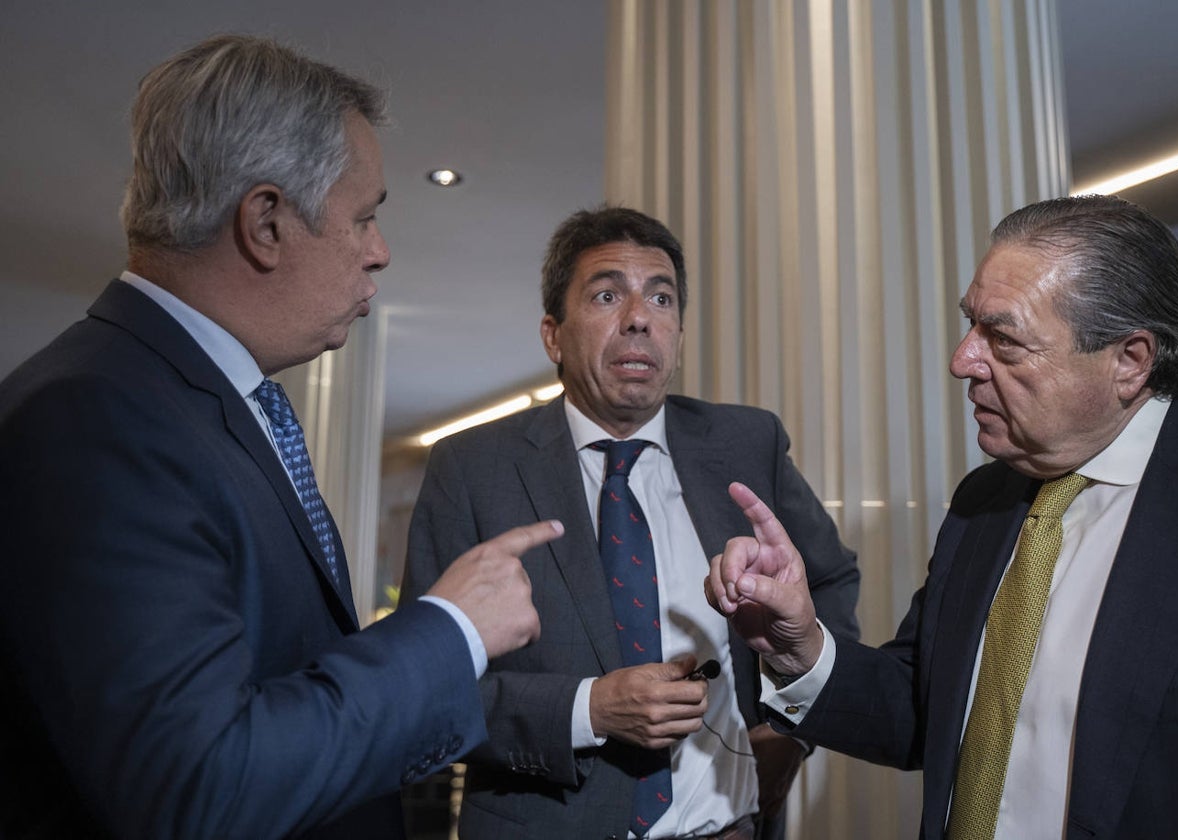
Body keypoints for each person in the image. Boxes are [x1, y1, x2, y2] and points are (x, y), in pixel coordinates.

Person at [0, 34, 563, 840]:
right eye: (363, 217)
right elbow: (198, 787)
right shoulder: (92, 418)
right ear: (265, 222)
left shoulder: (209, 403)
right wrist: (450, 630)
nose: (381, 251)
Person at [707, 194, 1178, 839]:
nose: (961, 360)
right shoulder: (982, 504)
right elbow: (924, 714)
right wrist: (803, 649)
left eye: (1004, 338)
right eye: (971, 325)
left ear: (1129, 361)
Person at [404, 205, 861, 840]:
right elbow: (426, 689)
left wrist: (791, 728)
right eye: (607, 294)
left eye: (662, 298)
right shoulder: (473, 468)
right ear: (553, 335)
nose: (640, 318)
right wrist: (586, 710)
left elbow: (829, 585)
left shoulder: (746, 442)